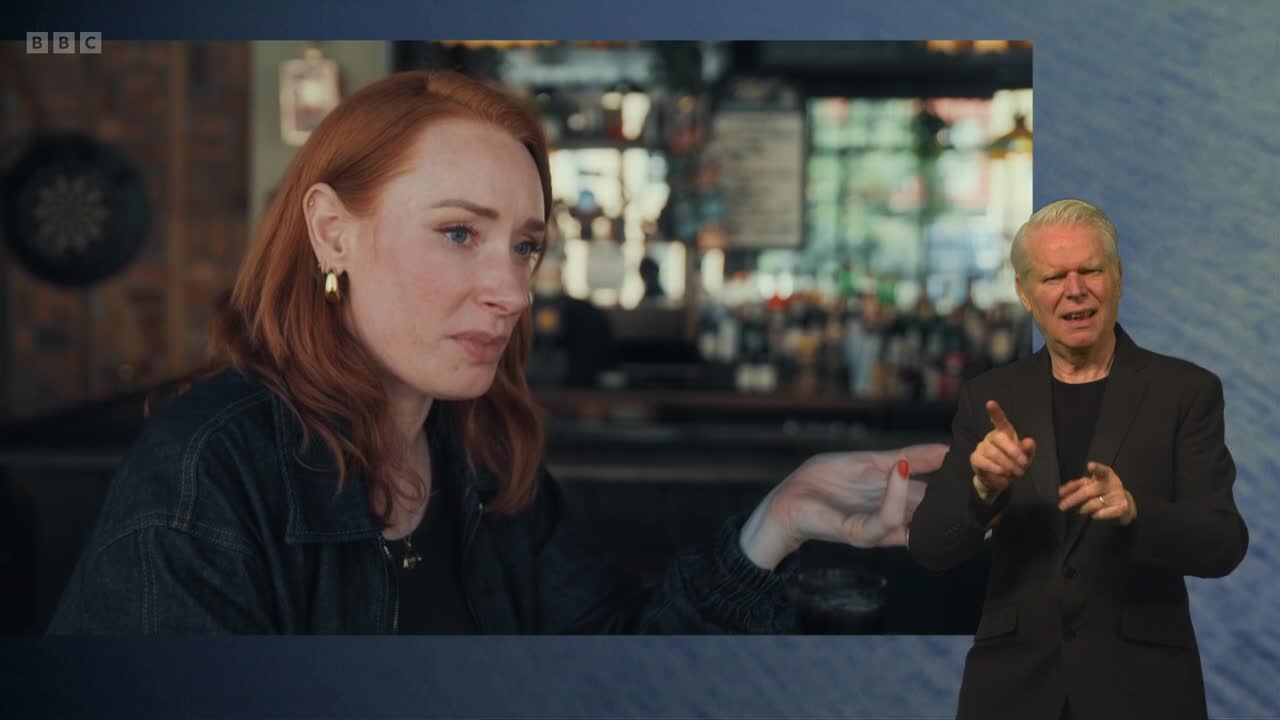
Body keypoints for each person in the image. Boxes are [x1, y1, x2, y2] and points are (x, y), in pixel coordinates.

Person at [48, 70, 947, 634]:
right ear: (332, 233)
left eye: (524, 245)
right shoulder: (209, 472)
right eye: (455, 233)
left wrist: (777, 523)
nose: (513, 293)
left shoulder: (479, 459)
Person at [908, 199, 1248, 719]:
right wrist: (981, 491)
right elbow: (931, 548)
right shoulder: (990, 397)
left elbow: (1223, 543)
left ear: (1117, 278)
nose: (1075, 289)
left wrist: (1137, 512)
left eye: (1090, 270)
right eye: (1053, 277)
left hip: (1147, 693)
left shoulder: (1186, 391)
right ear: (1025, 293)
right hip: (1011, 692)